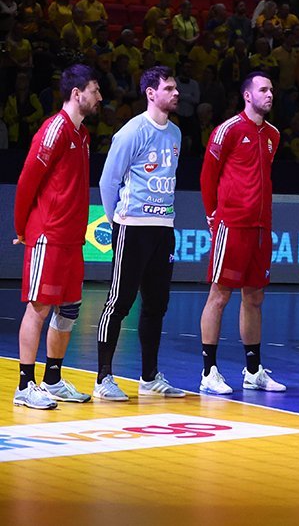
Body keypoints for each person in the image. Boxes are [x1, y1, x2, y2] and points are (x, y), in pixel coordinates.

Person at [93, 66, 186, 401]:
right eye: (169, 88)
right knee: (119, 302)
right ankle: (103, 378)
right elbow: (108, 181)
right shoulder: (132, 131)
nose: (176, 93)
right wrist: (116, 222)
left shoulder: (175, 134)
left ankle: (149, 377)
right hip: (132, 227)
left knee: (157, 304)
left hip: (163, 229)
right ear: (151, 93)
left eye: (176, 88)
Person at [11, 65, 100, 409]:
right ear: (77, 94)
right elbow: (26, 181)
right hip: (48, 235)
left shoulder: (83, 135)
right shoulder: (54, 130)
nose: (99, 97)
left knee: (70, 310)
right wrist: (22, 229)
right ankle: (24, 385)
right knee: (39, 307)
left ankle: (53, 379)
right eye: (94, 90)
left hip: (73, 239)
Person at [197, 72, 286, 395]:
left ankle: (253, 371)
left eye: (271, 89)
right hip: (232, 224)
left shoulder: (273, 134)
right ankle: (208, 372)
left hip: (261, 227)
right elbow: (208, 176)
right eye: (263, 90)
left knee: (255, 297)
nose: (269, 94)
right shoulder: (228, 130)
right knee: (220, 295)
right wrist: (213, 216)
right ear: (247, 95)